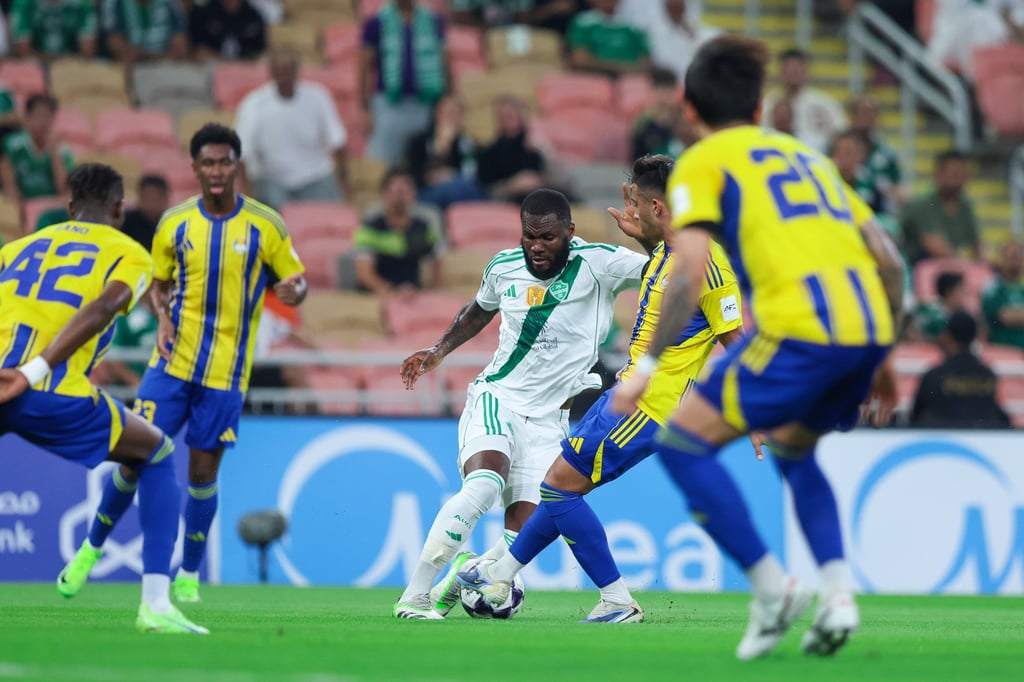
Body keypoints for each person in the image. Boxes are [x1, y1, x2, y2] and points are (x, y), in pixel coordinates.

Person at [609, 36, 905, 659]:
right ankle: (839, 595)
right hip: (866, 327)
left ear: (688, 109)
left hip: (803, 328)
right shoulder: (809, 158)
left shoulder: (702, 164)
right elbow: (891, 261)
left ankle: (773, 590)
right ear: (761, 101)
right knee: (798, 451)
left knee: (683, 443)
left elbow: (688, 273)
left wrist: (647, 366)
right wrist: (881, 352)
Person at [457, 154, 750, 623]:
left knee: (558, 489)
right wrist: (646, 241)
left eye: (635, 203)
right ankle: (500, 573)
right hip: (627, 395)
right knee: (557, 485)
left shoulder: (707, 265)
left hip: (651, 405)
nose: (629, 212)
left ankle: (616, 599)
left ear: (658, 205)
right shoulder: (666, 255)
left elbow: (736, 341)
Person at [57, 124, 308, 604]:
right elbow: (159, 282)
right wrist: (161, 313)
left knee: (200, 475)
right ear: (194, 168)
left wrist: (295, 288)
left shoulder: (266, 225)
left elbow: (295, 278)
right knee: (134, 460)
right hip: (170, 366)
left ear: (237, 166)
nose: (216, 171)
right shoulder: (173, 224)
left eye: (224, 162)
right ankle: (90, 549)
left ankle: (188, 575)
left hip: (226, 376)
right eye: (207, 163)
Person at [392, 188, 649, 619]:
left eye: (548, 237)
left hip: (550, 419)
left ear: (569, 232)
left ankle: (467, 574)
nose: (536, 246)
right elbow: (478, 310)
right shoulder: (503, 266)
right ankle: (415, 594)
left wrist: (646, 237)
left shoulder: (601, 263)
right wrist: (437, 351)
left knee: (523, 535)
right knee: (484, 485)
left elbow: (666, 271)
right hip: (499, 397)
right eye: (529, 236)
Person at [0, 163, 206, 634]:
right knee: (156, 452)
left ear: (69, 208)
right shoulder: (129, 253)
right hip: (47, 387)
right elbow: (104, 307)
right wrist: (34, 370)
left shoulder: (15, 248)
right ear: (118, 209)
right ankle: (155, 603)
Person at [236, 49, 352, 209]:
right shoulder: (253, 104)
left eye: (289, 70)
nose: (285, 76)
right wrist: (247, 195)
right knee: (275, 223)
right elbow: (242, 154)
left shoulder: (318, 97)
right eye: (280, 71)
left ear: (297, 71)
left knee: (335, 213)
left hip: (315, 176)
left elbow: (337, 142)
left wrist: (343, 183)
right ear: (272, 73)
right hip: (272, 179)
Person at [360, 0, 448, 165]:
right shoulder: (377, 22)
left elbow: (444, 62)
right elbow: (364, 68)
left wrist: (447, 97)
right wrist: (365, 109)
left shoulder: (432, 21)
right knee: (382, 162)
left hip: (425, 103)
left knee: (423, 159)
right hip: (390, 104)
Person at [910, 310, 1011, 428]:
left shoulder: (933, 376)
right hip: (981, 442)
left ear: (948, 336)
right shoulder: (988, 375)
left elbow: (914, 420)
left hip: (942, 442)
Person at [353, 168, 441, 297]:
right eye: (395, 192)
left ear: (413, 195)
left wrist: (427, 292)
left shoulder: (424, 229)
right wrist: (393, 291)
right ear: (384, 194)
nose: (400, 198)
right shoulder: (369, 230)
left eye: (405, 192)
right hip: (377, 297)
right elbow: (364, 274)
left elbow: (436, 264)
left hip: (413, 296)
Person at [900, 150, 981, 265]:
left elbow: (977, 244)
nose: (958, 179)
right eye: (953, 174)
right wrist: (968, 266)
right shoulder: (923, 204)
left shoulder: (964, 205)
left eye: (962, 174)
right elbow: (936, 247)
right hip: (918, 268)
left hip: (950, 268)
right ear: (938, 174)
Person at [761, 48, 847, 152]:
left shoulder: (825, 104)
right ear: (781, 73)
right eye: (789, 71)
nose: (793, 76)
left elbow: (841, 134)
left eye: (797, 71)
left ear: (807, 72)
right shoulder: (769, 104)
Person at [0, 94, 74, 211]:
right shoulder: (12, 146)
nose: (44, 122)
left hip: (52, 206)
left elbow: (64, 189)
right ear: (27, 118)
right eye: (39, 115)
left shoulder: (62, 150)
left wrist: (55, 154)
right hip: (22, 206)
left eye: (48, 116)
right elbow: (9, 187)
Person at [566, 0, 651, 77]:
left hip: (631, 81)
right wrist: (619, 68)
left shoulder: (633, 26)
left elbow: (646, 62)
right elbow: (580, 60)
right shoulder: (583, 23)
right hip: (595, 79)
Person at [100, 0, 189, 63]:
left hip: (164, 66)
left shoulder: (170, 3)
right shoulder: (115, 3)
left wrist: (153, 59)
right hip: (131, 68)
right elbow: (116, 46)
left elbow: (180, 47)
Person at [9, 0, 98, 60]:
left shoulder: (82, 4)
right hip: (34, 70)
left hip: (73, 71)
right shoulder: (23, 3)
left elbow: (87, 54)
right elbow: (24, 54)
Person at [188, 0, 266, 60]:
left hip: (245, 67)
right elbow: (197, 50)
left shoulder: (254, 16)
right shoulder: (202, 14)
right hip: (211, 66)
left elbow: (261, 51)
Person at [982, 240, 1024, 349]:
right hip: (1003, 354)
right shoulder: (993, 287)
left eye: (1018, 256)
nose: (1015, 261)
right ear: (1002, 260)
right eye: (1012, 257)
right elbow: (1004, 316)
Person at [914, 271, 966, 341]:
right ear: (949, 291)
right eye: (961, 290)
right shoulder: (939, 317)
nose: (965, 294)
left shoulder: (939, 308)